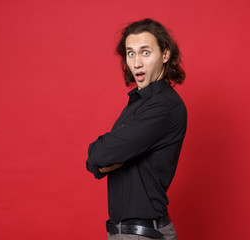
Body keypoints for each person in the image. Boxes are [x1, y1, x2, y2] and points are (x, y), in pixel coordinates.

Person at [86, 18, 187, 240]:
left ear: (165, 54)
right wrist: (102, 160)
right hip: (126, 233)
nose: (137, 63)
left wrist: (105, 159)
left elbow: (101, 153)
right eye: (131, 53)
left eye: (145, 52)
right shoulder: (138, 103)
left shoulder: (165, 106)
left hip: (144, 234)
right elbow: (97, 159)